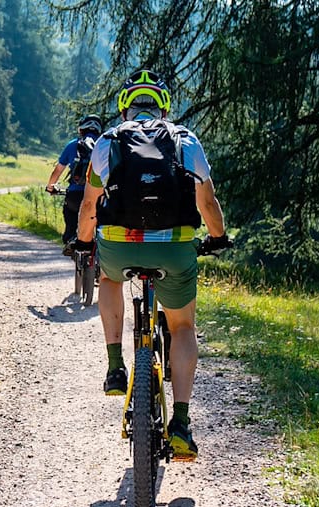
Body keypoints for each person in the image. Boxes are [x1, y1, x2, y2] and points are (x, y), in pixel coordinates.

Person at [73, 70, 231, 461]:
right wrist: (218, 237)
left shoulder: (108, 141)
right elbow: (207, 204)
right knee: (183, 327)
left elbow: (90, 204)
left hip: (119, 245)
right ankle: (181, 422)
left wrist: (83, 240)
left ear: (125, 107)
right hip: (174, 248)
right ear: (163, 106)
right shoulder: (185, 140)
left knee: (108, 280)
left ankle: (114, 366)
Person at [45, 114, 102, 253]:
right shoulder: (104, 144)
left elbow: (57, 171)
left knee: (70, 212)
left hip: (75, 195)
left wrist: (50, 187)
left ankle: (70, 238)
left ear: (81, 129)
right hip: (99, 196)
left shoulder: (72, 145)